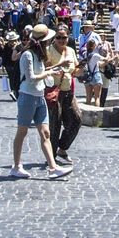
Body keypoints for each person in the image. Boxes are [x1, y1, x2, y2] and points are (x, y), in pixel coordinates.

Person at [10, 24, 71, 179]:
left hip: (39, 95)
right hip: (27, 96)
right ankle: (16, 166)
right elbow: (31, 78)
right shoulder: (27, 55)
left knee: (45, 133)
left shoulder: (39, 56)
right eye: (48, 40)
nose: (50, 42)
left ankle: (53, 168)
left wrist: (50, 72)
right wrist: (48, 72)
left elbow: (41, 74)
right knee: (22, 132)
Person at [45, 27, 81, 165]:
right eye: (59, 37)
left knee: (77, 119)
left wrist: (80, 69)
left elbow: (75, 69)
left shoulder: (71, 51)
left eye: (64, 37)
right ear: (55, 38)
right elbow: (44, 69)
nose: (61, 40)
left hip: (68, 91)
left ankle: (63, 147)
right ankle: (51, 157)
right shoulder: (49, 51)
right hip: (55, 90)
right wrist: (60, 65)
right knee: (55, 124)